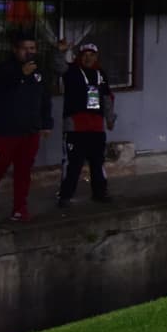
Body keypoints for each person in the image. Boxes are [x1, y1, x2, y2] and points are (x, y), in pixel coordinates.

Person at [0, 34, 54, 222]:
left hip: (30, 132)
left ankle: (20, 209)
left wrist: (46, 124)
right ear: (15, 50)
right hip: (6, 131)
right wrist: (21, 74)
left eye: (32, 48)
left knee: (23, 173)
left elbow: (45, 100)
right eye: (25, 48)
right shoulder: (4, 69)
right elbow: (1, 87)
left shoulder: (39, 73)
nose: (29, 52)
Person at [57, 42, 116, 208]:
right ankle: (65, 196)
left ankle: (100, 193)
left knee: (98, 162)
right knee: (73, 164)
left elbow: (107, 98)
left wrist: (110, 119)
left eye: (91, 54)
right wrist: (60, 53)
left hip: (96, 127)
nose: (88, 57)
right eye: (84, 54)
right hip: (75, 127)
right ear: (79, 56)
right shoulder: (71, 71)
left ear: (96, 57)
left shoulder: (100, 74)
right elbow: (58, 67)